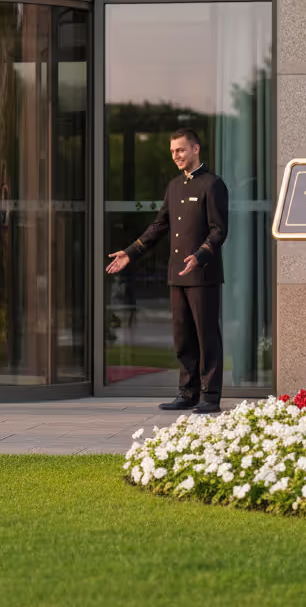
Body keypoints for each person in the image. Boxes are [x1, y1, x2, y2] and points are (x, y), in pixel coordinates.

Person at [106, 128, 229, 414]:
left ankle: (210, 396)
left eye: (181, 150)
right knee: (182, 335)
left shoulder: (213, 185)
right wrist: (131, 251)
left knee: (206, 335)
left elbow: (219, 230)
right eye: (173, 151)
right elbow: (159, 225)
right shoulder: (174, 186)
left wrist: (200, 256)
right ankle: (187, 393)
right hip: (177, 274)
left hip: (202, 274)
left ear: (196, 149)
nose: (176, 156)